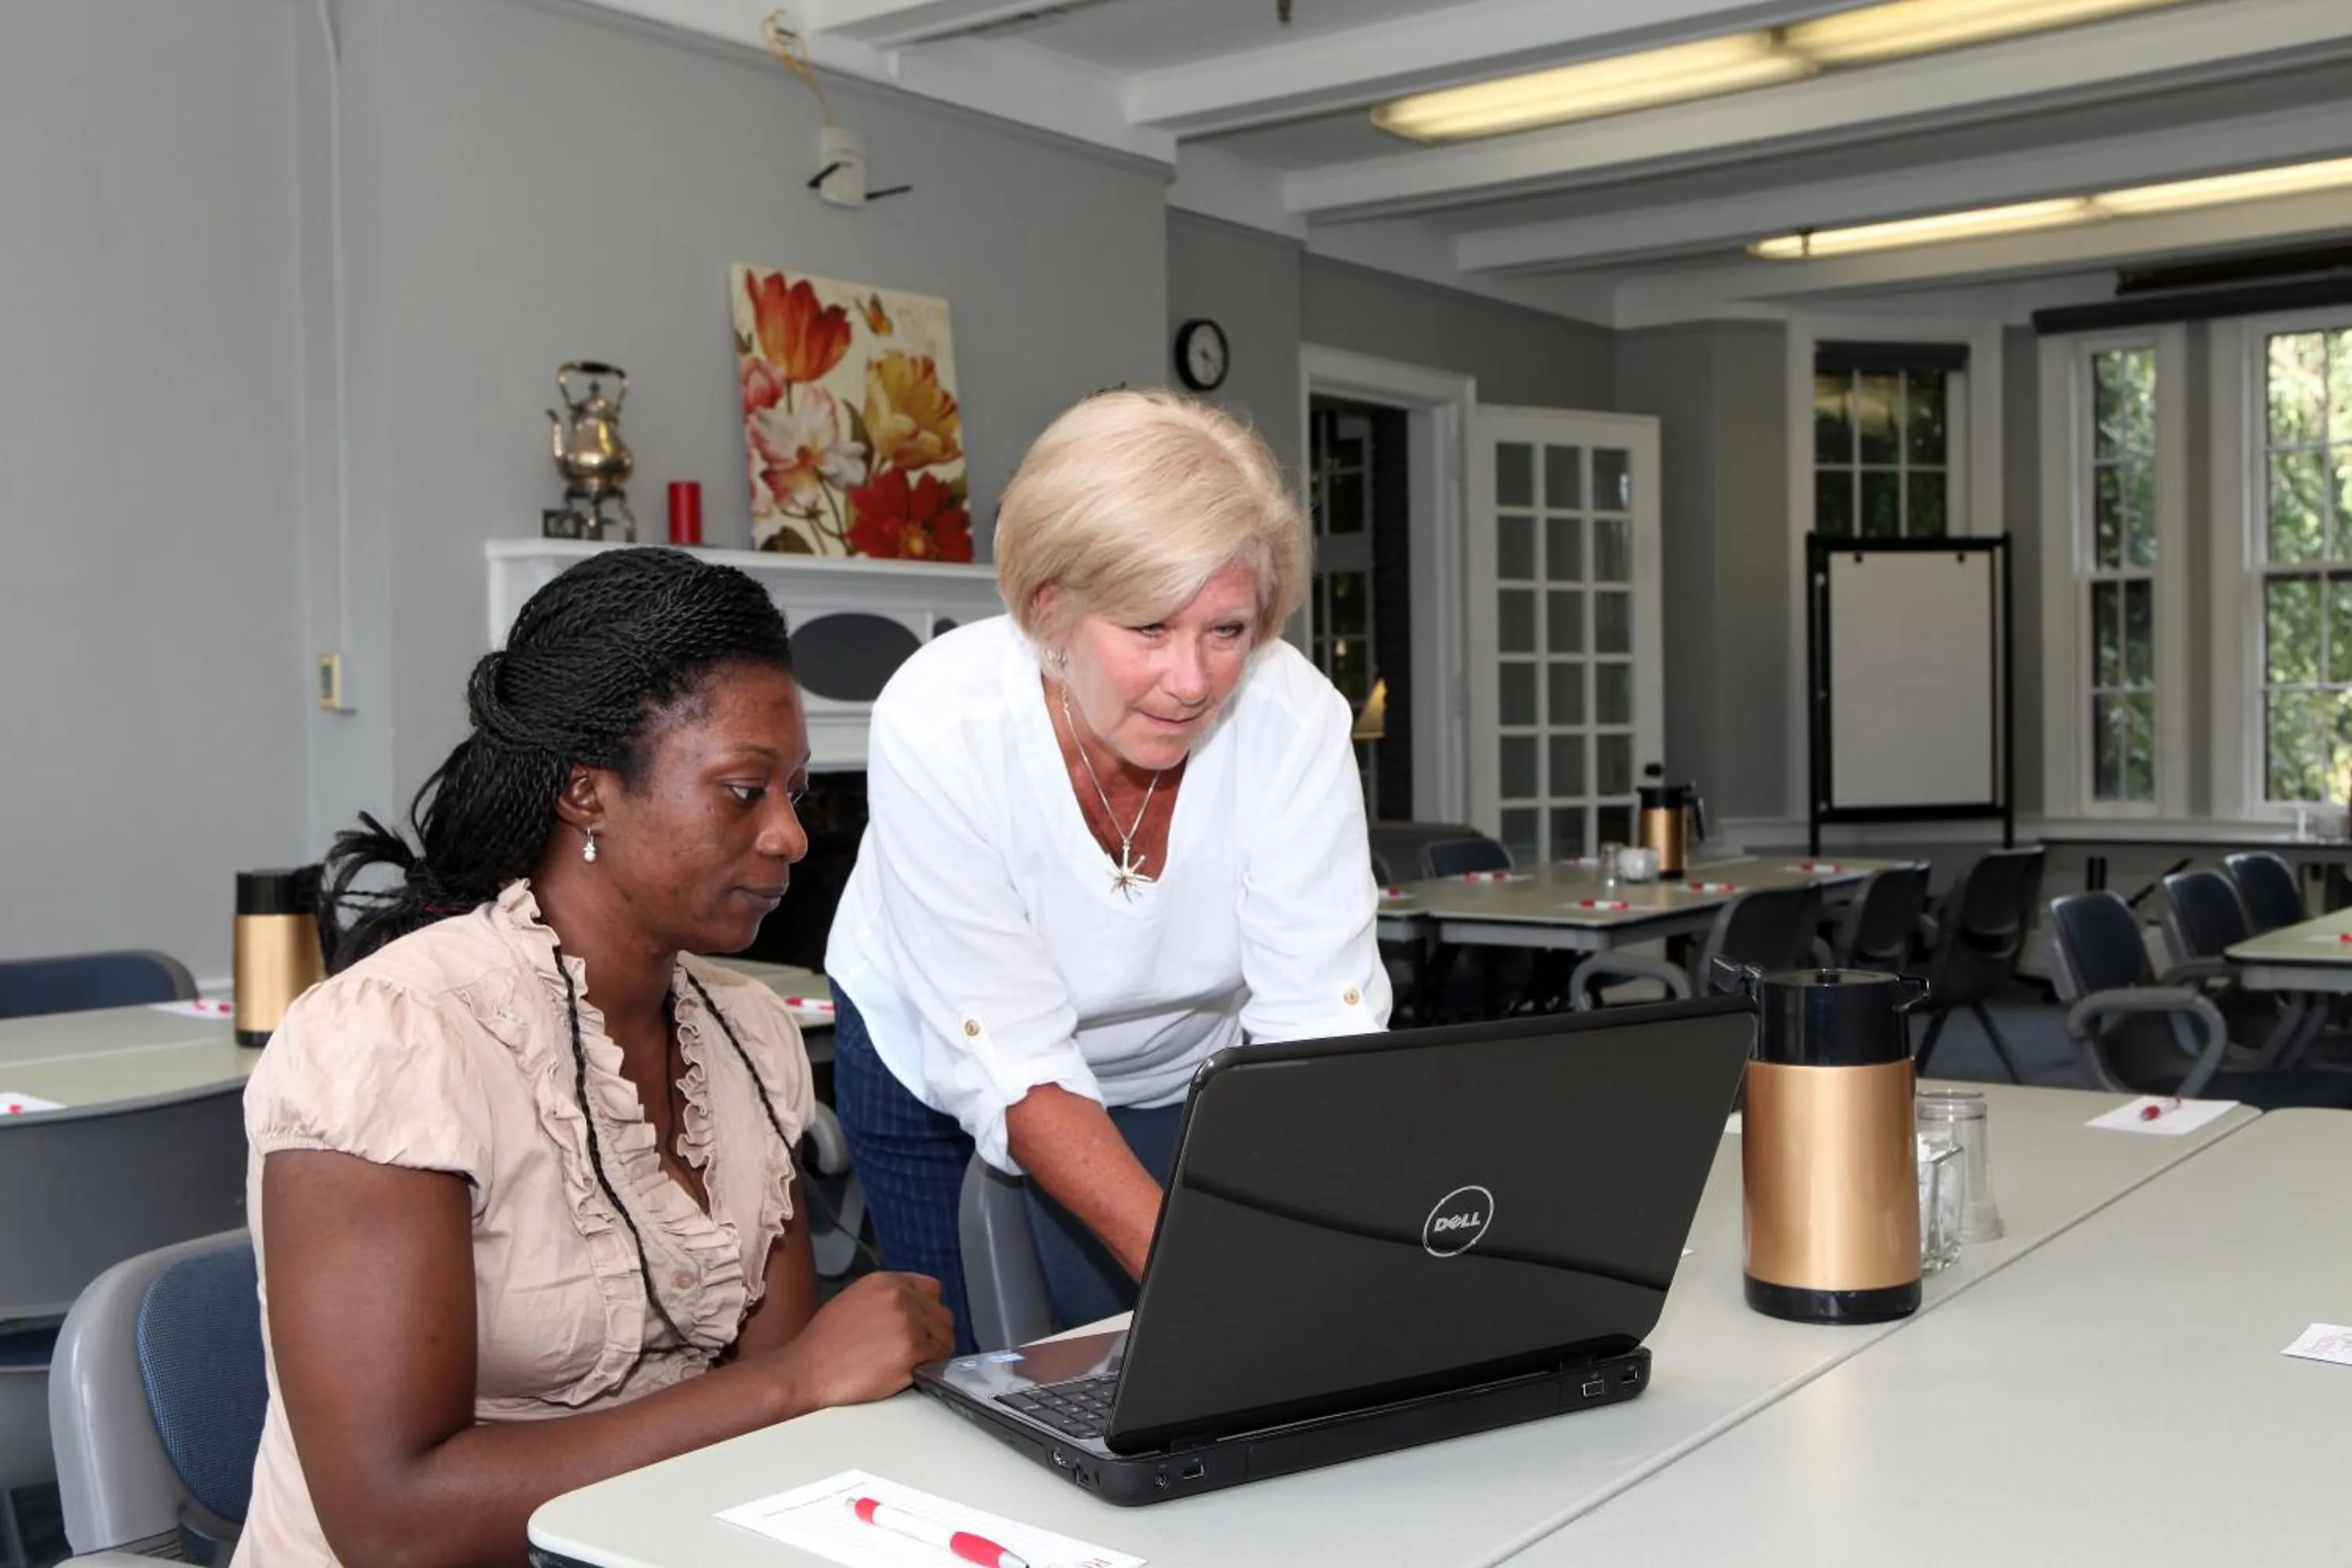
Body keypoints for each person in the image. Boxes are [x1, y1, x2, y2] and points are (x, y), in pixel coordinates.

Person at [236, 548, 953, 1566]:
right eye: (744, 791)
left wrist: (807, 1387)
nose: (791, 836)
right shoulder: (392, 1040)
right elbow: (392, 1524)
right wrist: (795, 1383)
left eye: (795, 792)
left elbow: (789, 1419)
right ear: (587, 793)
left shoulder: (749, 1036)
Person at [826, 390, 1392, 1346]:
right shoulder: (943, 720)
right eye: (1149, 629)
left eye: (1228, 629)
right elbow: (1014, 1054)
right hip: (938, 1054)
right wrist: (1198, 1276)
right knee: (980, 1378)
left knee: (1194, 1359)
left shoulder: (1293, 718)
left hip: (1184, 1065)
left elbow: (1317, 1027)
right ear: (1051, 608)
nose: (1194, 680)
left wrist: (1293, 1248)